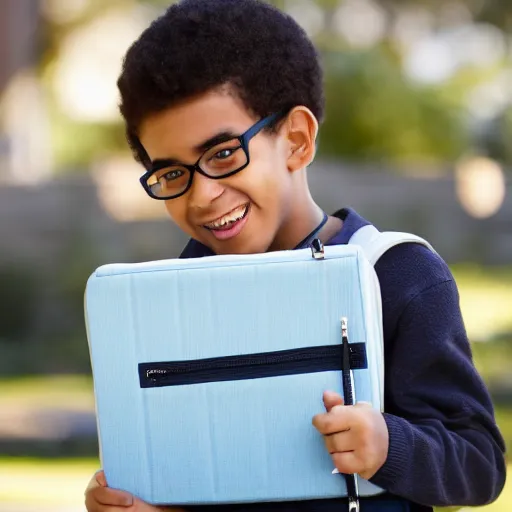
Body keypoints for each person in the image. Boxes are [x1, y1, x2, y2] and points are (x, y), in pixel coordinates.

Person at [84, 1, 507, 511]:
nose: (200, 196)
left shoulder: (396, 274)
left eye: (222, 154)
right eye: (172, 173)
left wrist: (389, 446)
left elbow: (479, 464)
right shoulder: (173, 297)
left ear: (297, 141)